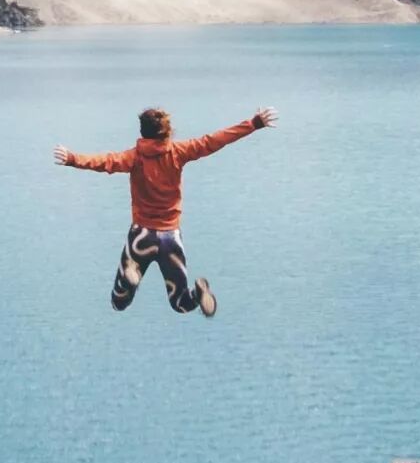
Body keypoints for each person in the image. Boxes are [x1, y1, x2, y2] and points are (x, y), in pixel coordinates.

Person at [54, 105, 276, 317]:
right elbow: (214, 140)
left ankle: (131, 277)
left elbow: (105, 161)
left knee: (118, 302)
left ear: (143, 132)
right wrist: (254, 123)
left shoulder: (134, 157)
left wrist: (73, 158)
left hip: (141, 236)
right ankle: (198, 295)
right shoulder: (179, 152)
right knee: (181, 304)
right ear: (167, 131)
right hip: (171, 238)